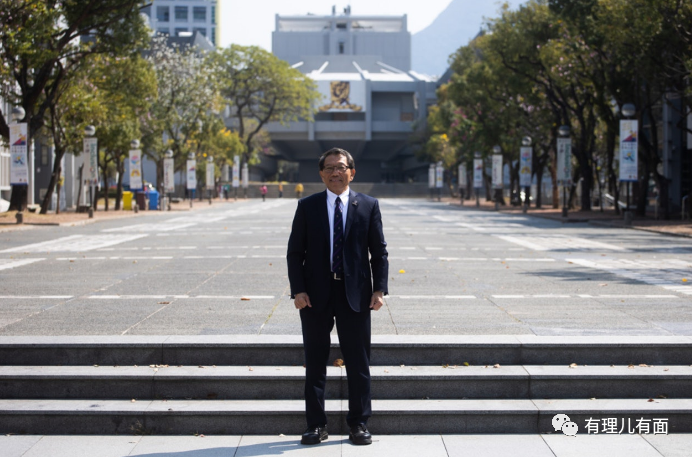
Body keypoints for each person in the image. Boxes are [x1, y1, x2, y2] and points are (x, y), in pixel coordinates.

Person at [287, 148, 389, 446]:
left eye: (341, 167)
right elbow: (295, 252)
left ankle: (359, 424)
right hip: (315, 296)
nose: (335, 172)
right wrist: (298, 290)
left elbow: (379, 252)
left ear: (351, 172)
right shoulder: (307, 206)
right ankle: (315, 425)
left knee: (358, 362)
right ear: (321, 174)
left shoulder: (368, 205)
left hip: (356, 294)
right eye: (329, 168)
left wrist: (379, 289)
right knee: (315, 361)